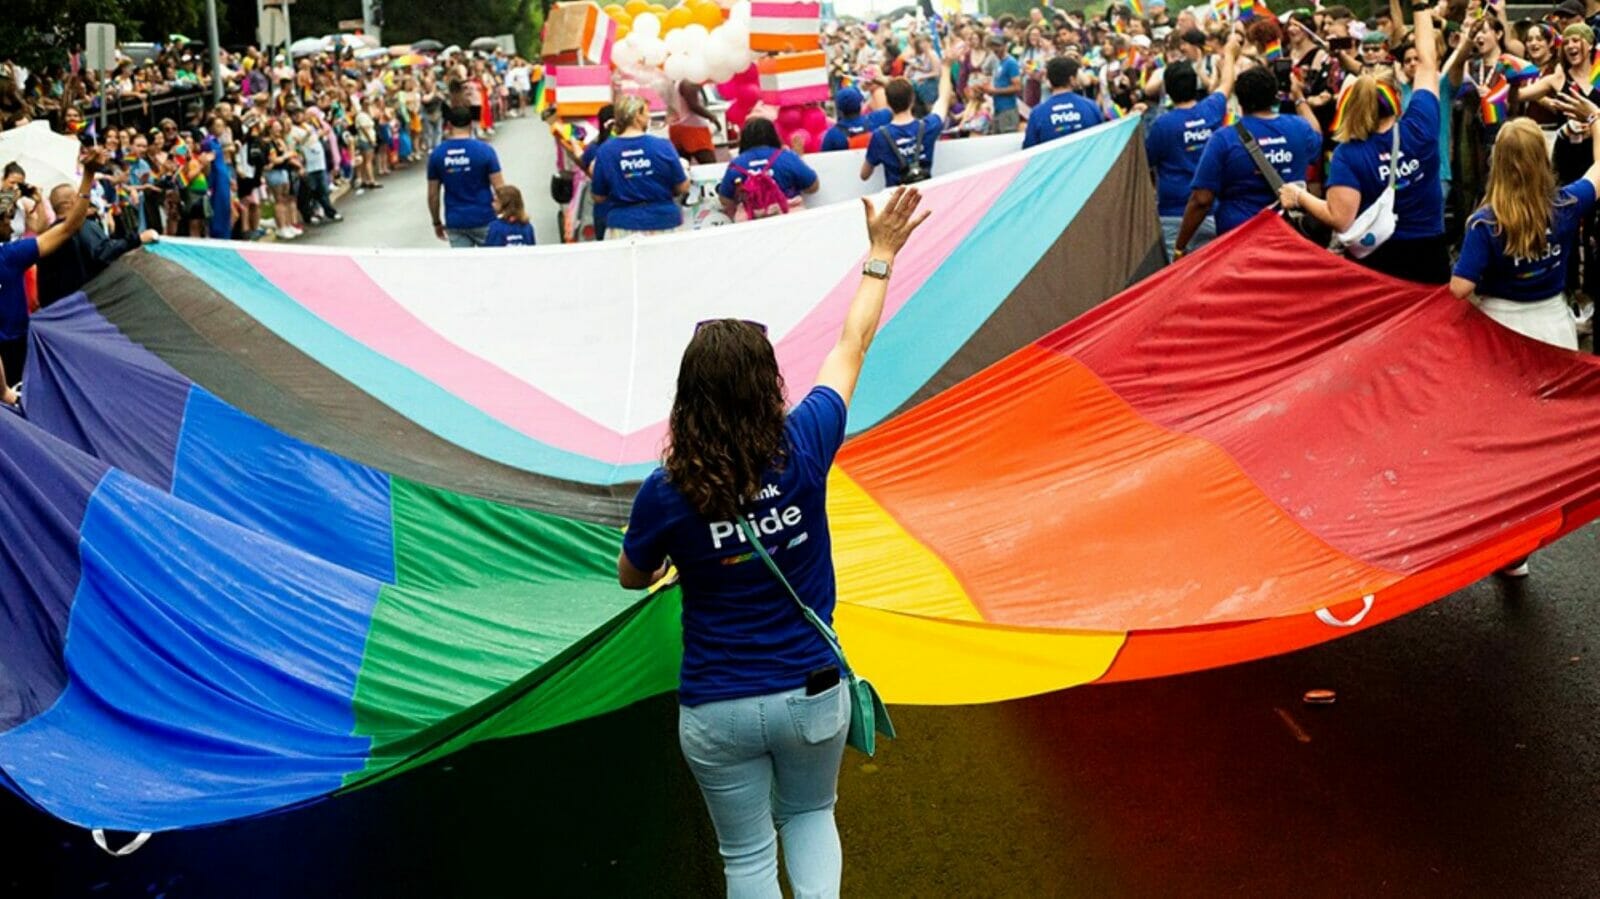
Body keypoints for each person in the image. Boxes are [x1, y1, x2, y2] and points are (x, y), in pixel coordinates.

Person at [617, 186, 930, 899]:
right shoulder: (806, 441)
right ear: (769, 385)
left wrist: (679, 551)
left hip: (715, 707)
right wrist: (880, 254)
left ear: (686, 396)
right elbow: (853, 343)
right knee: (811, 814)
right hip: (812, 694)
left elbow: (631, 576)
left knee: (747, 858)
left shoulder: (665, 490)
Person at [1282, 1, 1447, 283]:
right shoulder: (1421, 124)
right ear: (1395, 100)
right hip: (1431, 251)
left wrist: (1299, 196)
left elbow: (1339, 217)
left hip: (1380, 259)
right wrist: (1419, 7)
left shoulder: (1349, 155)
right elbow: (1427, 63)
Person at [1175, 66, 1322, 256]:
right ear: (1275, 96)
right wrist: (1299, 98)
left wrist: (1180, 246)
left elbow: (1202, 199)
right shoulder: (1300, 128)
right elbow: (1317, 134)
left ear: (1239, 100)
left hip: (1239, 240)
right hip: (1288, 238)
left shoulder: (1224, 139)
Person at [0, 149, 106, 381]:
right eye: (8, 219)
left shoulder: (12, 254)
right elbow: (68, 228)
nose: (11, 225)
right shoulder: (9, 256)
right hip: (13, 349)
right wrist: (88, 176)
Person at [1144, 37, 1238, 257]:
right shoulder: (1211, 110)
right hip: (1212, 210)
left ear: (1167, 90)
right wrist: (1231, 54)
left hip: (1174, 216)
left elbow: (1147, 164)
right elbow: (1226, 83)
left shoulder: (1162, 125)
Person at [36, 181, 159, 307]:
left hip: (59, 310)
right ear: (72, 202)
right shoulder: (82, 226)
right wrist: (138, 238)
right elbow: (103, 252)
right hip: (89, 304)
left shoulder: (47, 236)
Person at [591, 95, 689, 239]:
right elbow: (682, 186)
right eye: (646, 112)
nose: (649, 117)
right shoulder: (663, 146)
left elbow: (598, 196)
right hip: (664, 222)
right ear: (637, 116)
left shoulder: (605, 151)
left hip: (622, 225)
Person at [861, 63, 953, 187]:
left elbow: (864, 175)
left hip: (897, 200)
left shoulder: (880, 136)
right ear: (912, 100)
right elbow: (943, 99)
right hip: (925, 194)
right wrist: (946, 67)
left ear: (887, 101)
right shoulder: (928, 126)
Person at [427, 104, 504, 247]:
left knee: (463, 266)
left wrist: (436, 221)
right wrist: (504, 212)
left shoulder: (437, 154)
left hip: (456, 221)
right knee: (490, 264)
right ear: (471, 124)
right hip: (485, 217)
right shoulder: (485, 151)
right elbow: (500, 187)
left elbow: (433, 194)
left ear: (449, 125)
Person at [718, 116, 820, 220]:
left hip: (752, 224)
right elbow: (813, 187)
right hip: (790, 219)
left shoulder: (736, 165)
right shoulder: (787, 157)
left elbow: (725, 200)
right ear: (774, 136)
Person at [1022, 56, 1103, 149]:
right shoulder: (1091, 106)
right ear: (1072, 79)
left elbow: (1029, 149)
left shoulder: (1037, 113)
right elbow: (1101, 142)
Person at [819, 87, 891, 152]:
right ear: (860, 104)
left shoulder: (832, 135)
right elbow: (896, 99)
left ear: (839, 109)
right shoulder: (878, 119)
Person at [670, 80, 722, 165]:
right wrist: (712, 117)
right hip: (694, 129)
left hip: (677, 126)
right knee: (710, 166)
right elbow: (694, 105)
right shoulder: (689, 82)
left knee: (683, 166)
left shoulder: (678, 82)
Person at [981, 34, 1024, 134]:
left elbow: (1017, 87)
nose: (996, 49)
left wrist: (995, 91)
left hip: (1008, 109)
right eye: (993, 46)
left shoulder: (1011, 63)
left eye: (998, 46)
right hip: (998, 108)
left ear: (1005, 46)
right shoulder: (997, 62)